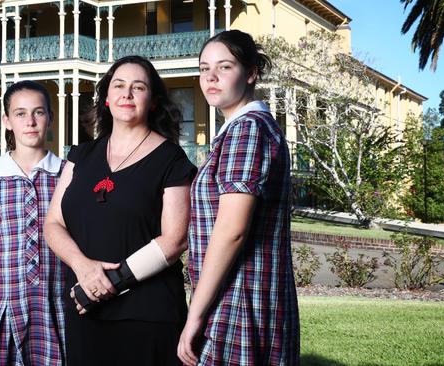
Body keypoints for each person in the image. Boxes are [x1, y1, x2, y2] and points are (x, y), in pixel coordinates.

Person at [44, 55, 196, 366]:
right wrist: (83, 268)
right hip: (85, 308)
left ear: (152, 101)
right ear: (107, 98)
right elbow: (53, 223)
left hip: (147, 315)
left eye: (138, 87)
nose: (127, 94)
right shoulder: (81, 156)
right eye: (119, 85)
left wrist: (110, 283)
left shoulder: (171, 159)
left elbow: (175, 240)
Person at [177, 30, 300, 365]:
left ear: (250, 73)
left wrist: (195, 315)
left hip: (239, 300)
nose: (211, 77)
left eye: (225, 67)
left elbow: (232, 230)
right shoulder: (239, 130)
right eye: (204, 69)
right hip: (235, 296)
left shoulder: (248, 129)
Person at [0, 80, 66, 366]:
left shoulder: (67, 173)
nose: (30, 122)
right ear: (7, 121)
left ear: (49, 117)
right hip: (5, 299)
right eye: (20, 114)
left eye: (38, 112)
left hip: (55, 299)